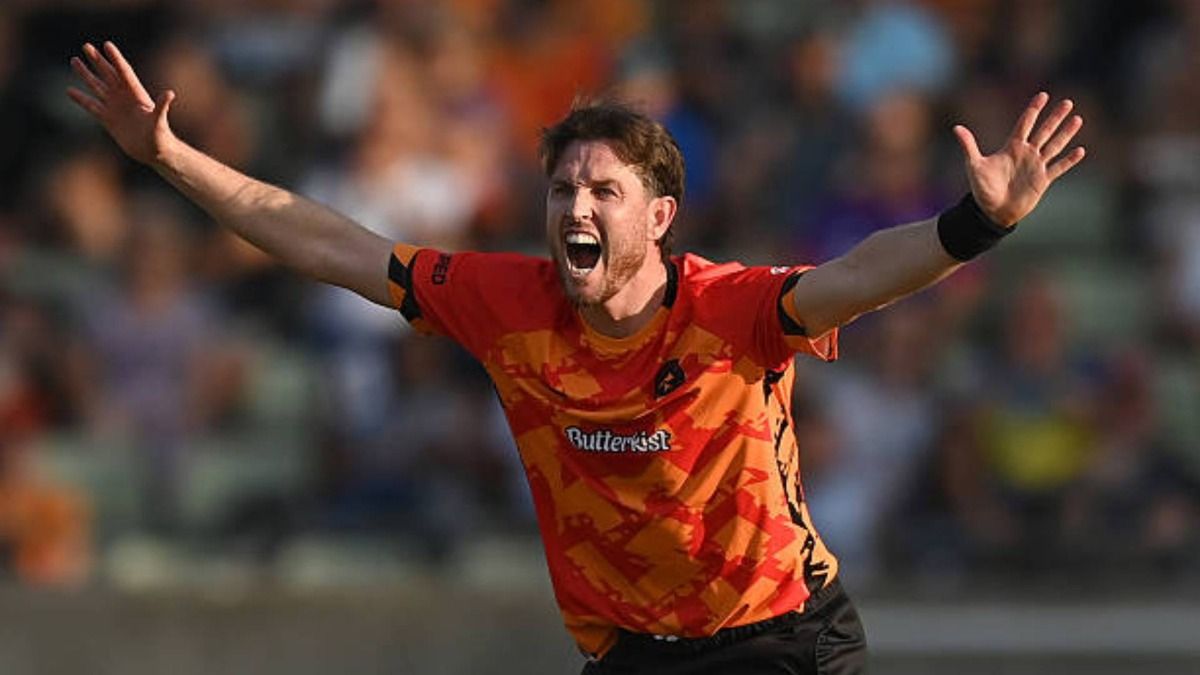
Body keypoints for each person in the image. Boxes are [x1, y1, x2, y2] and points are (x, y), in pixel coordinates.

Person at [67, 40, 1085, 674]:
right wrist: (168, 159)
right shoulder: (506, 303)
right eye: (564, 191)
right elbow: (327, 241)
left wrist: (973, 224)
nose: (578, 207)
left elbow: (865, 274)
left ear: (661, 215)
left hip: (783, 643)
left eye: (604, 191)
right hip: (632, 660)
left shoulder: (731, 308)